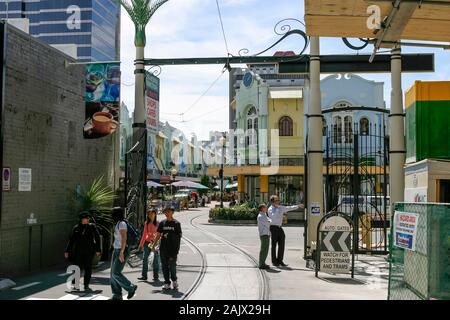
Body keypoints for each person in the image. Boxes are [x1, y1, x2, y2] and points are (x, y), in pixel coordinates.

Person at [64, 211, 101, 291]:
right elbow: (72, 240)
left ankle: (86, 285)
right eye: (86, 218)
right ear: (81, 219)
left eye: (88, 218)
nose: (87, 220)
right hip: (79, 252)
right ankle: (75, 285)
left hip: (89, 251)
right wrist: (67, 250)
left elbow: (97, 237)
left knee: (88, 268)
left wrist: (98, 249)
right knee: (76, 268)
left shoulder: (92, 227)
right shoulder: (76, 228)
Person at [110, 207, 138, 300]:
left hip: (122, 251)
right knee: (112, 274)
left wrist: (122, 252)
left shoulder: (122, 224)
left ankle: (131, 287)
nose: (111, 214)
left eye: (113, 213)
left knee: (116, 272)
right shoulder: (119, 223)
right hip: (116, 250)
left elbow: (124, 238)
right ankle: (117, 294)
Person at [152, 206, 182, 290]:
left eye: (168, 212)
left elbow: (179, 237)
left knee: (172, 267)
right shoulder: (162, 223)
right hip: (163, 248)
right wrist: (153, 245)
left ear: (172, 212)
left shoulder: (176, 224)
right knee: (164, 266)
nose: (167, 213)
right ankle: (167, 283)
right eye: (165, 212)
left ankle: (174, 280)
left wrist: (176, 250)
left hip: (173, 249)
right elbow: (158, 235)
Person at [268, 195, 302, 267]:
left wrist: (298, 206)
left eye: (278, 200)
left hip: (280, 228)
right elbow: (274, 217)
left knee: (282, 244)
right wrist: (277, 209)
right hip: (273, 227)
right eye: (277, 200)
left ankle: (280, 261)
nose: (278, 202)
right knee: (274, 245)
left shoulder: (280, 207)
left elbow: (288, 208)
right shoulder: (270, 209)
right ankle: (274, 261)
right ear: (273, 202)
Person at [137, 208, 160, 281]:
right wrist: (141, 245)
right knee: (144, 259)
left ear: (155, 214)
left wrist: (157, 242)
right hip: (147, 243)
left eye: (152, 213)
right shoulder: (146, 223)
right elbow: (144, 234)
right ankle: (144, 276)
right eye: (149, 214)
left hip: (155, 243)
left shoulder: (158, 223)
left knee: (155, 260)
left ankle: (155, 276)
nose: (150, 215)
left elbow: (160, 235)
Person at [257, 204, 271, 269]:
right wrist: (269, 221)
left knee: (265, 249)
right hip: (264, 234)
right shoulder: (261, 216)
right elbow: (268, 223)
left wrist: (269, 220)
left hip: (266, 234)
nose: (267, 208)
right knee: (264, 250)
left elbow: (269, 220)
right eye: (265, 207)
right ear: (262, 209)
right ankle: (261, 264)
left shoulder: (264, 215)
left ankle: (263, 263)